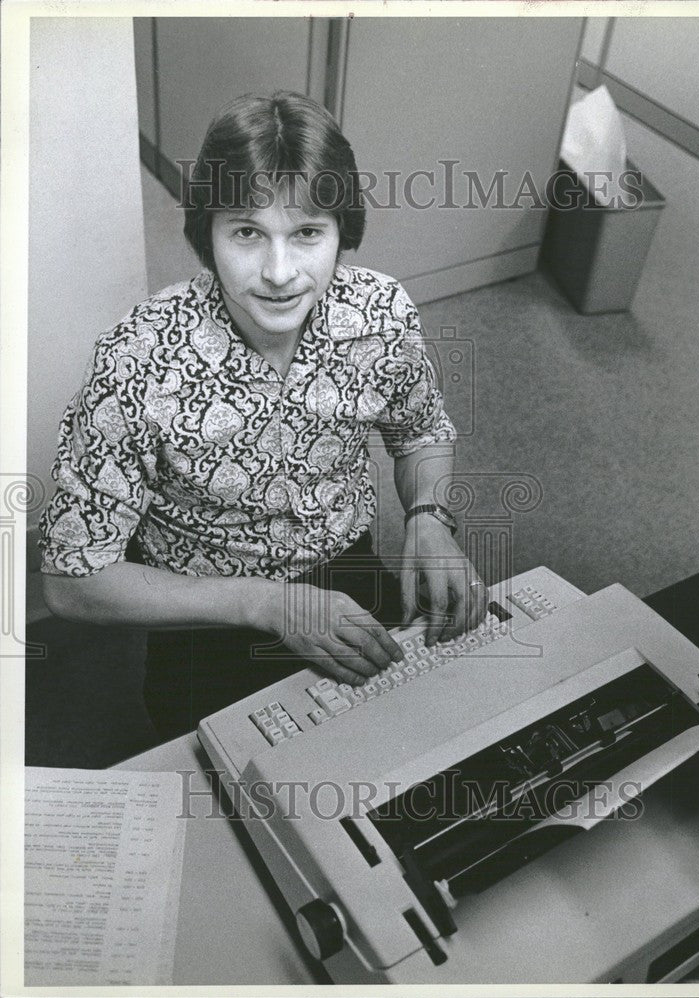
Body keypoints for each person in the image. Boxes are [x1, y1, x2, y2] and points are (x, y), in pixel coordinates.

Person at [39, 91, 488, 739]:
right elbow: (71, 581)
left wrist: (429, 516)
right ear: (207, 234)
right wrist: (266, 602)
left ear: (342, 234)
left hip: (349, 573)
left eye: (307, 232)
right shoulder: (135, 362)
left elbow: (419, 433)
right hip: (208, 618)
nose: (279, 273)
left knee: (413, 751)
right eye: (247, 232)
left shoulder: (381, 312)